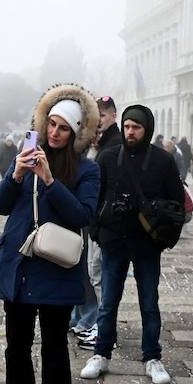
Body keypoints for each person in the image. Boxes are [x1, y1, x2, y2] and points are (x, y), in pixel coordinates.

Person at [0, 86, 101, 384]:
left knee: (54, 346)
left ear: (75, 134)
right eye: (51, 125)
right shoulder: (25, 155)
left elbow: (83, 215)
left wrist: (51, 181)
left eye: (63, 128)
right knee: (16, 345)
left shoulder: (87, 170)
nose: (54, 133)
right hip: (20, 264)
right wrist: (17, 175)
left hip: (56, 268)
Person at [81, 104, 184, 384]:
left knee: (149, 303)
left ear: (146, 129)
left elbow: (177, 204)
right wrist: (96, 232)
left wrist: (164, 235)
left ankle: (152, 356)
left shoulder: (163, 161)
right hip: (114, 241)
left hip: (147, 244)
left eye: (136, 127)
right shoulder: (108, 157)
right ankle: (101, 352)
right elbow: (94, 198)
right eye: (127, 126)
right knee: (108, 302)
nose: (130, 132)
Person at [70, 94, 123, 347]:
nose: (99, 120)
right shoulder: (98, 142)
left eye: (103, 115)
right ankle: (86, 319)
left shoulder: (112, 145)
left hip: (101, 220)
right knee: (89, 271)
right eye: (96, 115)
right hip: (92, 218)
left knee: (97, 273)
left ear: (113, 116)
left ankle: (102, 328)